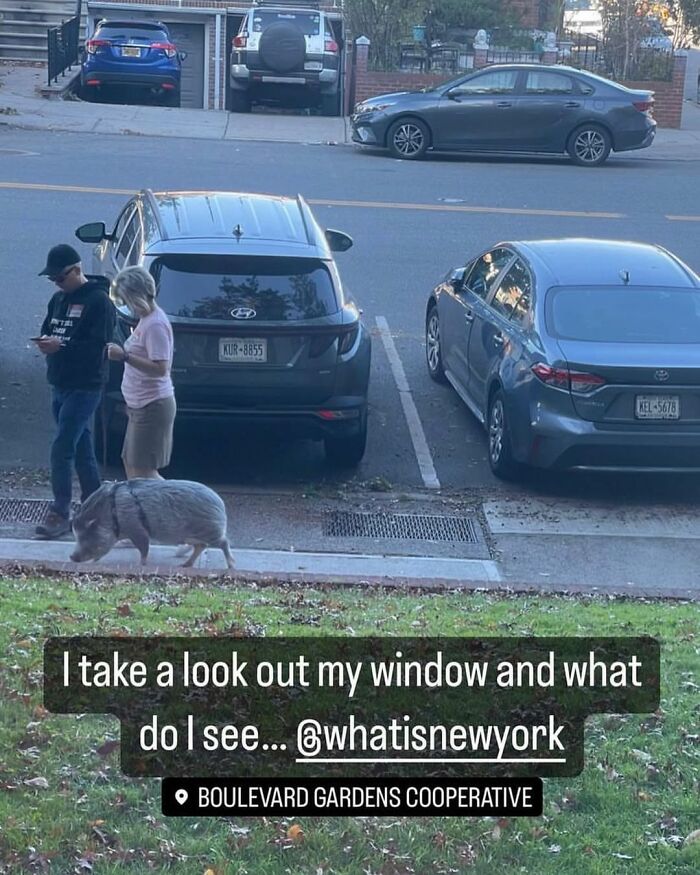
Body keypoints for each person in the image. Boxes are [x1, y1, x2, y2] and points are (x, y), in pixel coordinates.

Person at [34, 244, 116, 539]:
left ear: (77, 270)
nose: (57, 283)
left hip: (85, 385)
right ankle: (97, 507)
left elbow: (99, 347)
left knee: (62, 447)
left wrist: (62, 346)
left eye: (60, 278)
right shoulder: (58, 300)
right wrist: (46, 342)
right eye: (53, 279)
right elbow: (50, 328)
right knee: (81, 448)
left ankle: (60, 511)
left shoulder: (99, 302)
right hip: (60, 381)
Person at [107, 266, 176, 479]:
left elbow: (160, 369)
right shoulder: (146, 321)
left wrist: (124, 356)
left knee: (143, 472)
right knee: (131, 463)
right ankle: (143, 509)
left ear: (136, 296)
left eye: (127, 300)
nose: (128, 307)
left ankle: (173, 505)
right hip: (140, 405)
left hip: (152, 405)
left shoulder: (155, 325)